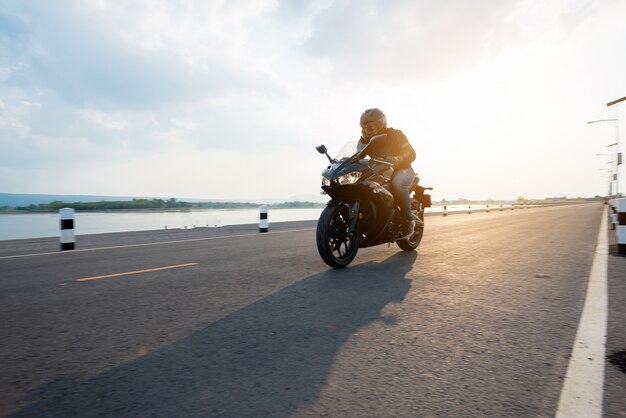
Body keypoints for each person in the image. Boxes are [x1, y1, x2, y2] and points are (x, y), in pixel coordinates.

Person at [357, 108, 422, 238]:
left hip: (402, 170)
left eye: (371, 126)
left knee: (397, 184)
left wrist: (399, 158)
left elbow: (411, 153)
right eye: (364, 127)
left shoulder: (395, 134)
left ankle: (409, 221)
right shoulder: (364, 141)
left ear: (381, 123)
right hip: (380, 172)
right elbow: (357, 156)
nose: (367, 129)